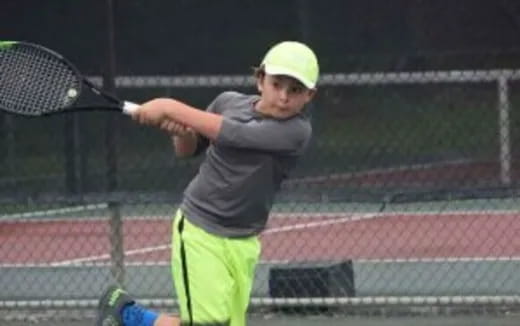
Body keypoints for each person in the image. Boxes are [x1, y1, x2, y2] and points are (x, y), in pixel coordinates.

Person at [96, 40, 319, 326]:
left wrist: (169, 107)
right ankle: (130, 317)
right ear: (260, 79)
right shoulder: (227, 102)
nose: (284, 97)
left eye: (295, 90)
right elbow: (187, 149)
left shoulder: (297, 131)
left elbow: (233, 134)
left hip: (244, 241)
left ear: (309, 95)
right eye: (277, 84)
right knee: (210, 323)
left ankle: (126, 315)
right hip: (200, 231)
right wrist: (180, 131)